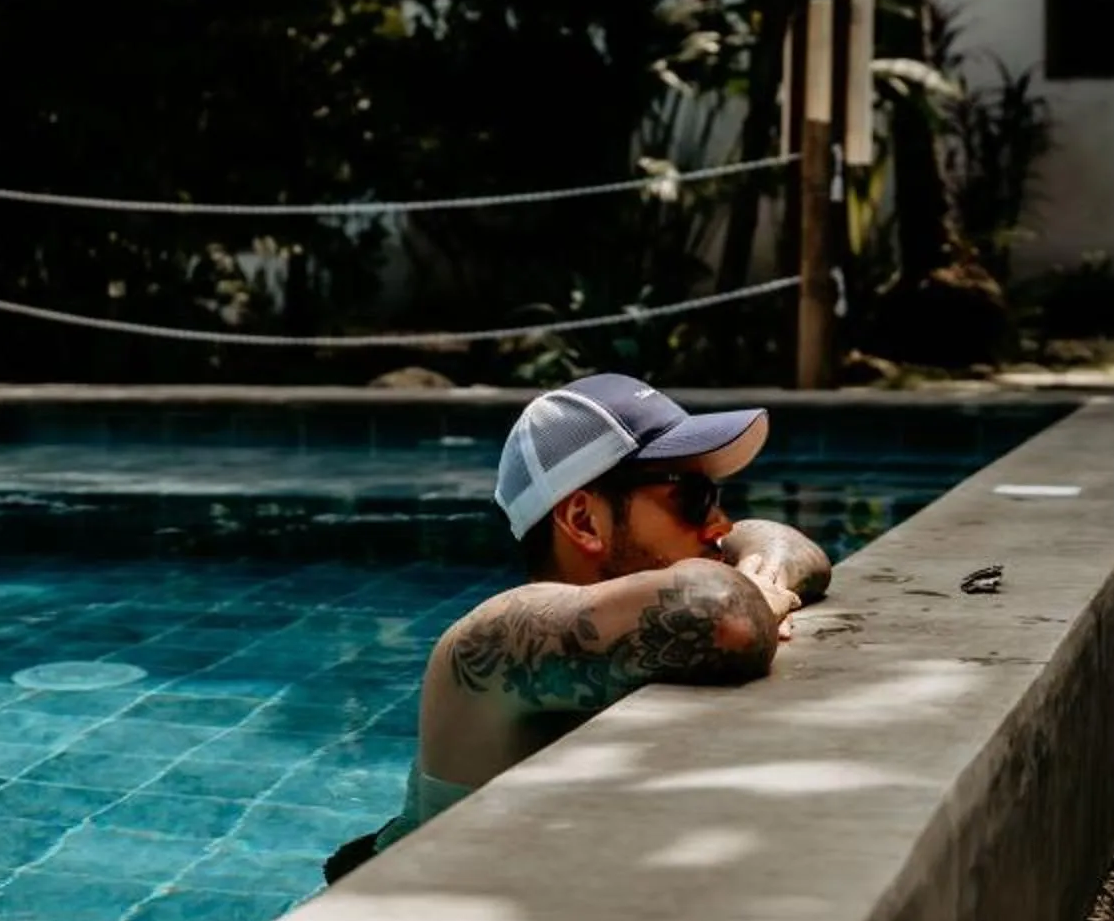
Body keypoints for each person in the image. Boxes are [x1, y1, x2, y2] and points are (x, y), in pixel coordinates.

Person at [324, 373, 832, 883]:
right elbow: (726, 619)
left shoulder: (633, 605)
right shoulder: (494, 637)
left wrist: (758, 575)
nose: (719, 524)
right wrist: (750, 594)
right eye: (693, 498)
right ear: (583, 520)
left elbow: (786, 544)